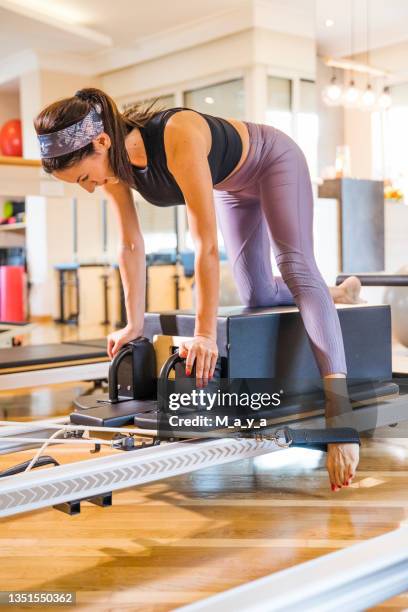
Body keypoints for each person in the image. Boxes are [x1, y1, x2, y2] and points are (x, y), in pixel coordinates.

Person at [34, 87, 362, 491]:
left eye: (85, 177)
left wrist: (205, 334)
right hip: (233, 188)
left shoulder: (177, 133)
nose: (89, 187)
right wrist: (132, 324)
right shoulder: (114, 167)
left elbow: (205, 245)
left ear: (101, 141)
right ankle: (337, 294)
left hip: (272, 159)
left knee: (295, 266)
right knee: (257, 294)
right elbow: (130, 244)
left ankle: (341, 411)